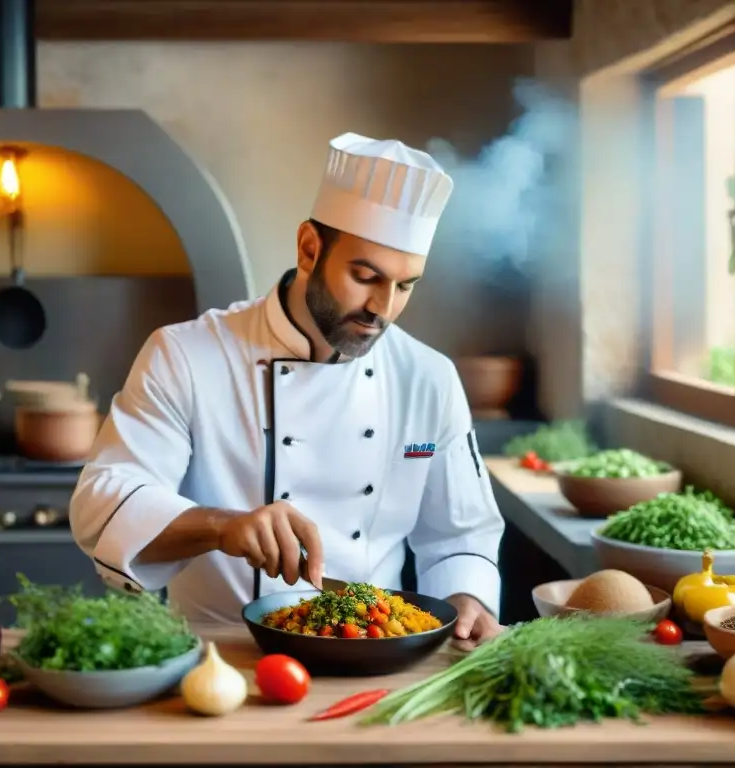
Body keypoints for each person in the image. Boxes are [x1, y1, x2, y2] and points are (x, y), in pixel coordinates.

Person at [69, 132, 506, 649]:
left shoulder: (428, 378)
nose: (383, 307)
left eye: (406, 285)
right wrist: (222, 526)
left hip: (373, 655)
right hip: (217, 654)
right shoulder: (187, 355)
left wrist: (467, 602)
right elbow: (102, 503)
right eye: (366, 276)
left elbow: (460, 534)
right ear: (309, 249)